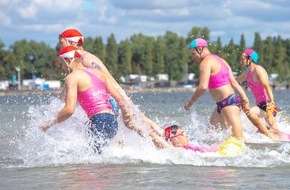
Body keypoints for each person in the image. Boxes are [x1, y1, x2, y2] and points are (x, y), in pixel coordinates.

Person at [57, 28, 169, 148]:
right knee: (138, 124)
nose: (59, 47)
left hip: (112, 99)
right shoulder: (80, 61)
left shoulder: (86, 59)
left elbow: (107, 80)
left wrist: (124, 104)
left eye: (61, 43)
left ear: (72, 43)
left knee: (134, 124)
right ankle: (167, 141)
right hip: (111, 99)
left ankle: (168, 147)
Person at [40, 46, 130, 153]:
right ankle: (121, 150)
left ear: (68, 60)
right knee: (100, 156)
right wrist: (126, 115)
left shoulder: (72, 78)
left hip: (99, 121)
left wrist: (49, 123)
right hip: (112, 121)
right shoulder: (98, 73)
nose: (62, 68)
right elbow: (120, 99)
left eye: (61, 64)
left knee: (91, 163)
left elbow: (69, 110)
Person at [184, 38, 251, 140]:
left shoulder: (205, 63)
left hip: (229, 103)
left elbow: (202, 87)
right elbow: (234, 83)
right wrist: (245, 99)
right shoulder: (222, 61)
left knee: (239, 140)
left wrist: (190, 102)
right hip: (222, 105)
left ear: (200, 49)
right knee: (209, 137)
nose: (193, 58)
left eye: (193, 54)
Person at [236, 49, 288, 140]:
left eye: (242, 59)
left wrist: (272, 102)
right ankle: (267, 132)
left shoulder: (258, 70)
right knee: (273, 128)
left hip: (267, 104)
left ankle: (268, 132)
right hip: (260, 105)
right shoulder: (247, 73)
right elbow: (235, 80)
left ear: (250, 59)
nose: (241, 61)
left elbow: (267, 86)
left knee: (250, 112)